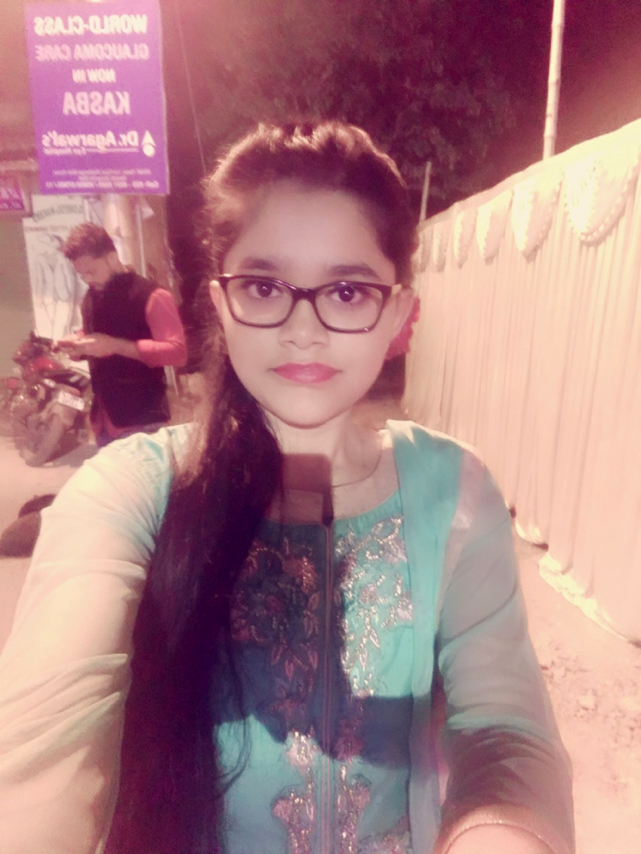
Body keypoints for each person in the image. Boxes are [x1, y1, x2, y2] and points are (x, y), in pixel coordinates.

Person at [0, 122, 574, 854]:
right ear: (221, 302)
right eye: (265, 286)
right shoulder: (132, 491)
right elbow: (46, 737)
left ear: (398, 313)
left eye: (347, 290)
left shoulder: (453, 491)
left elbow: (503, 730)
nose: (303, 329)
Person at [58, 223, 187, 446]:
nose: (87, 280)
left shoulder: (153, 295)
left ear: (112, 257)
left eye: (91, 271)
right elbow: (96, 332)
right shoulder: (91, 296)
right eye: (81, 274)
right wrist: (78, 344)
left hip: (143, 421)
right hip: (104, 419)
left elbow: (178, 353)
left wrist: (116, 346)